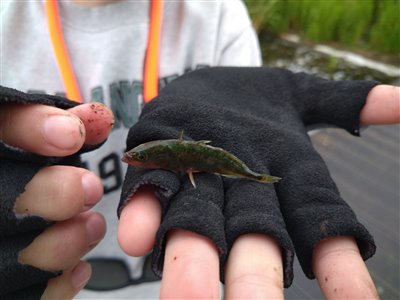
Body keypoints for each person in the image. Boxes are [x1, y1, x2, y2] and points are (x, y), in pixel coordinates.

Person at [0, 1, 398, 300]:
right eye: (138, 159)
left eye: (139, 158)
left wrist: (241, 96)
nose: (134, 160)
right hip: (60, 282)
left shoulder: (217, 12)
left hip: (193, 274)